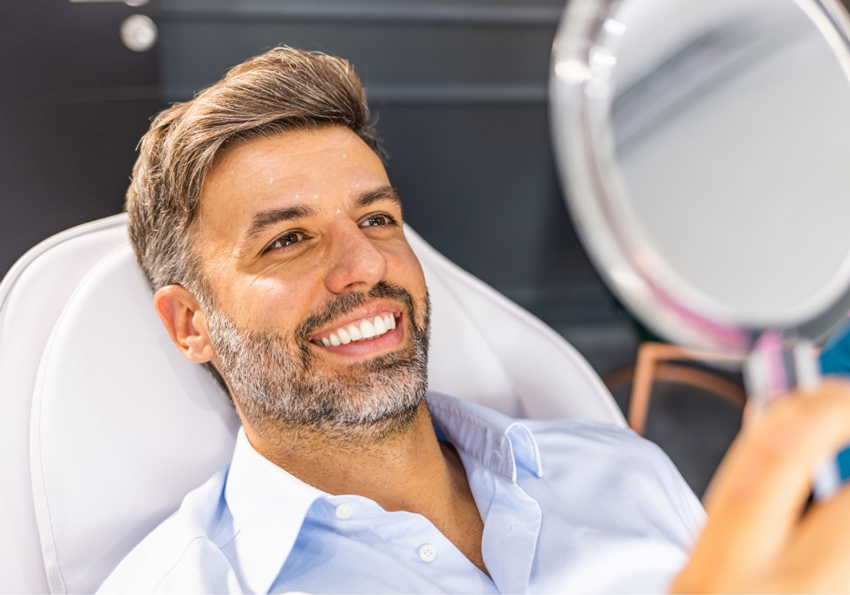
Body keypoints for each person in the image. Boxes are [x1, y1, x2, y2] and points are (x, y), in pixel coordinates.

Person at [99, 47, 850, 593]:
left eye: (379, 218)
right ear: (190, 322)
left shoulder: (622, 473)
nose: (364, 266)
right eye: (288, 239)